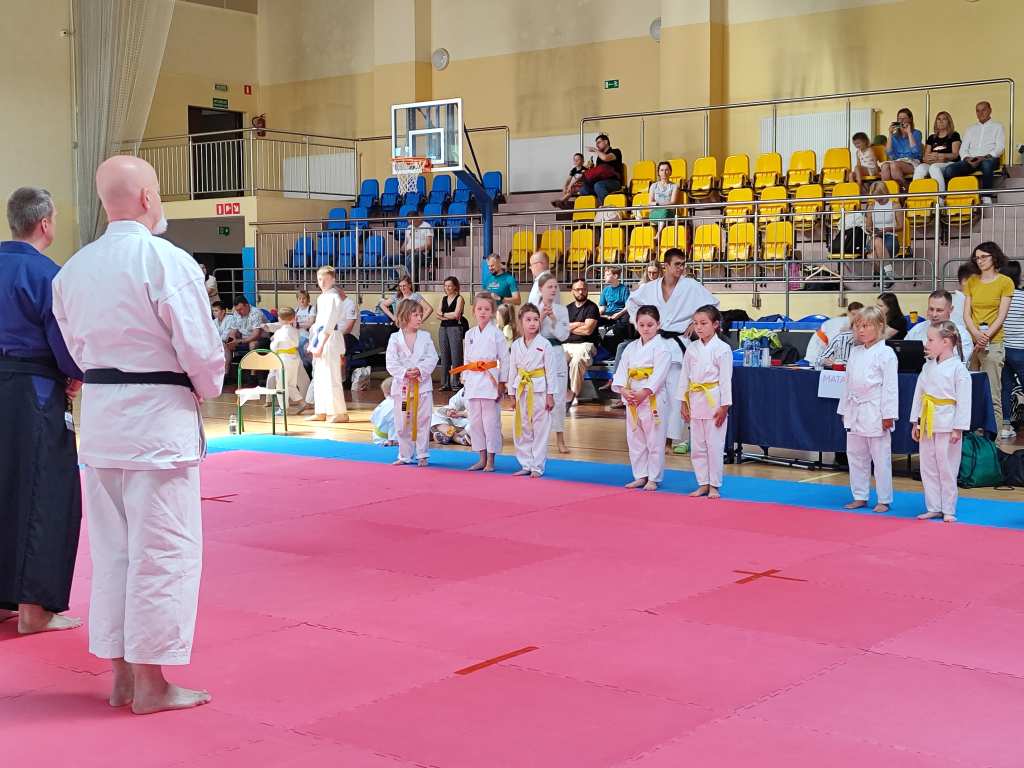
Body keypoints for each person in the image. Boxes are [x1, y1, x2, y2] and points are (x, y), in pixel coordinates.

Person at [51, 155, 225, 714]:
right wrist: (205, 386)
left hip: (103, 422)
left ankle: (122, 677)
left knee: (114, 553)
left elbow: (77, 350)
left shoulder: (72, 270)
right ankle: (151, 683)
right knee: (163, 551)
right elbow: (200, 349)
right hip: (156, 424)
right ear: (149, 197)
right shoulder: (166, 261)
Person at [0, 187, 83, 635]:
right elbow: (64, 339)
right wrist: (75, 373)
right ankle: (34, 609)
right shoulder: (48, 275)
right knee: (43, 490)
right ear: (46, 223)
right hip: (32, 390)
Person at [626, 248, 719, 454]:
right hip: (656, 344)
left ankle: (669, 441)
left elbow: (712, 306)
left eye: (683, 264)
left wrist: (695, 323)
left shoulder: (690, 286)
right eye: (677, 264)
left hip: (677, 344)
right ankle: (652, 436)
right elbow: (631, 303)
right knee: (654, 392)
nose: (681, 268)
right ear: (666, 266)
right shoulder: (650, 288)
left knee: (676, 394)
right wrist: (642, 325)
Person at [837, 306, 898, 514]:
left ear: (880, 326)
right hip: (855, 408)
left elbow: (890, 387)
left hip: (876, 410)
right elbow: (847, 384)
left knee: (880, 458)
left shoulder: (886, 353)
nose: (860, 330)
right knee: (855, 455)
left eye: (865, 326)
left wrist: (888, 415)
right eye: (857, 326)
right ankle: (860, 496)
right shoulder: (855, 352)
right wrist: (844, 409)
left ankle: (884, 499)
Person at [911, 322, 972, 523]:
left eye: (930, 340)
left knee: (947, 466)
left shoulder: (958, 369)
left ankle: (948, 508)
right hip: (927, 421)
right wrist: (915, 422)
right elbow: (918, 395)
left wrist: (958, 428)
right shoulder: (927, 366)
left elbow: (964, 401)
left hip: (948, 423)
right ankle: (934, 506)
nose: (926, 344)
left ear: (946, 342)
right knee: (927, 466)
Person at [612, 305, 671, 490]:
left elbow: (659, 375)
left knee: (655, 440)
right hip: (632, 399)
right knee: (635, 439)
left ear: (658, 325)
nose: (646, 329)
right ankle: (640, 475)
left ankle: (653, 478)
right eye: (642, 325)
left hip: (653, 399)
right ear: (636, 325)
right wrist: (623, 390)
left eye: (650, 325)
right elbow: (622, 371)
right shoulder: (631, 347)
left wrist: (644, 392)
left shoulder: (662, 348)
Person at [680, 305, 733, 499]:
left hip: (714, 400)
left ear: (715, 325)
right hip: (695, 399)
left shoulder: (722, 349)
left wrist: (724, 406)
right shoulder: (692, 348)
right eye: (695, 324)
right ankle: (702, 483)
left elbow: (726, 380)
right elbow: (684, 376)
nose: (699, 327)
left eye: (703, 323)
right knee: (698, 447)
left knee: (715, 446)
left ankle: (714, 486)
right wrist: (683, 402)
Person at [963, 242, 1014, 432]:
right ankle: (974, 437)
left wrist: (985, 336)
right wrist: (976, 335)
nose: (980, 261)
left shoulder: (1005, 282)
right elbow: (966, 314)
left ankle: (995, 441)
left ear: (994, 257)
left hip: (993, 343)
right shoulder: (972, 281)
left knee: (993, 394)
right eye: (977, 257)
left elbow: (1001, 316)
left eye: (984, 257)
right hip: (973, 342)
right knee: (971, 392)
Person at [455, 292, 508, 472]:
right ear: (473, 311)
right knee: (475, 422)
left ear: (492, 312)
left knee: (491, 423)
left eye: (486, 309)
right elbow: (466, 359)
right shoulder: (470, 333)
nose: (483, 312)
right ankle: (481, 457)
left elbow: (504, 359)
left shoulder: (497, 334)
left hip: (490, 380)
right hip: (473, 380)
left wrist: (502, 382)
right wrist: (464, 378)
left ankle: (491, 460)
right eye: (479, 309)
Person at [386, 298, 439, 467]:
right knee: (402, 422)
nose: (419, 318)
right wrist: (404, 373)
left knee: (423, 420)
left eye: (420, 315)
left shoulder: (425, 337)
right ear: (405, 315)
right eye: (415, 315)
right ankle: (404, 455)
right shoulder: (395, 338)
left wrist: (420, 370)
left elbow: (432, 357)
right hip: (402, 387)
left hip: (422, 386)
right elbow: (391, 362)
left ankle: (422, 454)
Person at [508, 303, 554, 477]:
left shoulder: (545, 344)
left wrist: (550, 395)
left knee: (540, 429)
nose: (533, 323)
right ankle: (526, 463)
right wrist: (511, 394)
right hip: (521, 389)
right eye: (528, 319)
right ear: (521, 322)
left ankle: (537, 466)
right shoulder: (516, 345)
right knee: (522, 428)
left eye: (536, 319)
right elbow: (512, 370)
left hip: (539, 390)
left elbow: (551, 372)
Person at [306, 266, 349, 423]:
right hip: (320, 337)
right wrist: (313, 342)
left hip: (331, 338)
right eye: (319, 279)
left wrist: (321, 344)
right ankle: (321, 410)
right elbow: (318, 324)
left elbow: (329, 324)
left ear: (333, 280)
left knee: (332, 377)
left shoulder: (334, 297)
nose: (322, 282)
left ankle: (340, 412)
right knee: (319, 376)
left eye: (325, 279)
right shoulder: (321, 298)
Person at [537, 272, 571, 454]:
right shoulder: (533, 309)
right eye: (549, 286)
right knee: (539, 397)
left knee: (558, 397)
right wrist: (540, 317)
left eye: (555, 286)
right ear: (540, 289)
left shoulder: (562, 310)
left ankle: (560, 439)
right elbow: (527, 334)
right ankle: (538, 438)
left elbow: (564, 335)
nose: (553, 290)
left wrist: (554, 320)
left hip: (557, 352)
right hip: (539, 354)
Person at [943, 101, 1005, 196]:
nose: (980, 113)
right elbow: (963, 149)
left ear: (990, 110)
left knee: (986, 165)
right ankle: (961, 196)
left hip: (989, 158)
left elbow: (1000, 147)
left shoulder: (998, 127)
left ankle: (986, 196)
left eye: (983, 110)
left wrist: (984, 157)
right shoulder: (970, 129)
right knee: (949, 170)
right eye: (978, 111)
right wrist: (967, 158)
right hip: (971, 160)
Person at [904, 289, 974, 363]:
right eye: (931, 309)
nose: (934, 314)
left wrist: (937, 356)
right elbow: (903, 352)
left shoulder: (961, 334)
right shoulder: (917, 330)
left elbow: (962, 362)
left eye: (939, 310)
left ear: (951, 309)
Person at [265, 307, 308, 414]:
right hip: (294, 358)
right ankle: (302, 403)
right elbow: (296, 343)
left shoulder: (279, 332)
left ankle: (283, 408)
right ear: (293, 318)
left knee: (281, 385)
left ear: (279, 318)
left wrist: (273, 340)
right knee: (290, 384)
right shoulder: (295, 331)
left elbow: (273, 348)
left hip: (283, 359)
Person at [564, 279, 600, 406]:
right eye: (578, 289)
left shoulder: (592, 308)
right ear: (572, 291)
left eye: (584, 289)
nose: (581, 292)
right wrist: (579, 324)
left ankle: (574, 395)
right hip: (567, 345)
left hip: (586, 345)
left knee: (577, 361)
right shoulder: (567, 309)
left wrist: (570, 327)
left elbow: (588, 331)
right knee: (554, 359)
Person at [1000, 261, 1024, 440]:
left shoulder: (1000, 298)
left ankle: (1006, 425)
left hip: (1002, 348)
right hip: (1020, 349)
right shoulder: (1022, 297)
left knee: (1005, 389)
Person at [913, 111, 961, 192]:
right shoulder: (931, 137)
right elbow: (925, 157)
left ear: (949, 122)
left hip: (948, 162)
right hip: (932, 162)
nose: (941, 121)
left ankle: (941, 196)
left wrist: (942, 156)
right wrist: (933, 159)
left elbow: (955, 155)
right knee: (920, 168)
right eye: (938, 119)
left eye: (944, 119)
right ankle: (915, 195)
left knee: (934, 168)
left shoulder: (954, 135)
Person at [880, 107, 922, 188]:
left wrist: (909, 133)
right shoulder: (894, 136)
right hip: (897, 161)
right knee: (885, 167)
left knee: (894, 165)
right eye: (899, 118)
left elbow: (915, 152)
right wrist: (890, 134)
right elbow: (889, 153)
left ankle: (905, 188)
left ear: (910, 119)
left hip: (912, 162)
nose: (901, 120)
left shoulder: (916, 133)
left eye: (904, 118)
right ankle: (887, 192)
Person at [865, 181, 904, 269]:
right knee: (877, 241)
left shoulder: (895, 205)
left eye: (878, 195)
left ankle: (881, 275)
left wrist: (887, 229)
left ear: (883, 192)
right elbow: (868, 226)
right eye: (874, 196)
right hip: (875, 236)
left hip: (890, 237)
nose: (876, 198)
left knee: (872, 257)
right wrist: (871, 229)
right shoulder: (871, 207)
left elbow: (901, 226)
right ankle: (888, 272)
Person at [577, 133, 624, 205]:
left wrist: (594, 150)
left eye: (599, 142)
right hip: (599, 182)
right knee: (583, 189)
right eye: (596, 144)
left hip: (614, 182)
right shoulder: (599, 158)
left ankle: (606, 206)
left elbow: (605, 158)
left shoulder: (616, 151)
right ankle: (594, 207)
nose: (597, 145)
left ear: (606, 142)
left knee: (598, 185)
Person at [437, 276, 465, 391]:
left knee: (456, 355)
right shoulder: (443, 299)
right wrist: (448, 315)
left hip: (455, 328)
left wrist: (443, 315)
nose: (447, 288)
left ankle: (456, 382)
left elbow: (456, 315)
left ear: (455, 287)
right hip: (443, 329)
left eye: (449, 286)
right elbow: (437, 314)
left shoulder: (459, 298)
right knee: (444, 356)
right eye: (445, 286)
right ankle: (445, 383)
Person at [225, 296, 265, 365]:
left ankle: (253, 370)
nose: (238, 312)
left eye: (240, 309)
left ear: (246, 305)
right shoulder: (236, 313)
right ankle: (227, 369)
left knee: (253, 344)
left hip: (261, 338)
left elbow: (256, 334)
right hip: (244, 337)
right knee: (228, 342)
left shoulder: (256, 313)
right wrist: (231, 340)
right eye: (237, 310)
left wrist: (241, 341)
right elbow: (233, 330)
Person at [371, 377, 398, 446]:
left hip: (379, 435)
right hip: (385, 439)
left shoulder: (384, 403)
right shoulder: (394, 404)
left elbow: (372, 418)